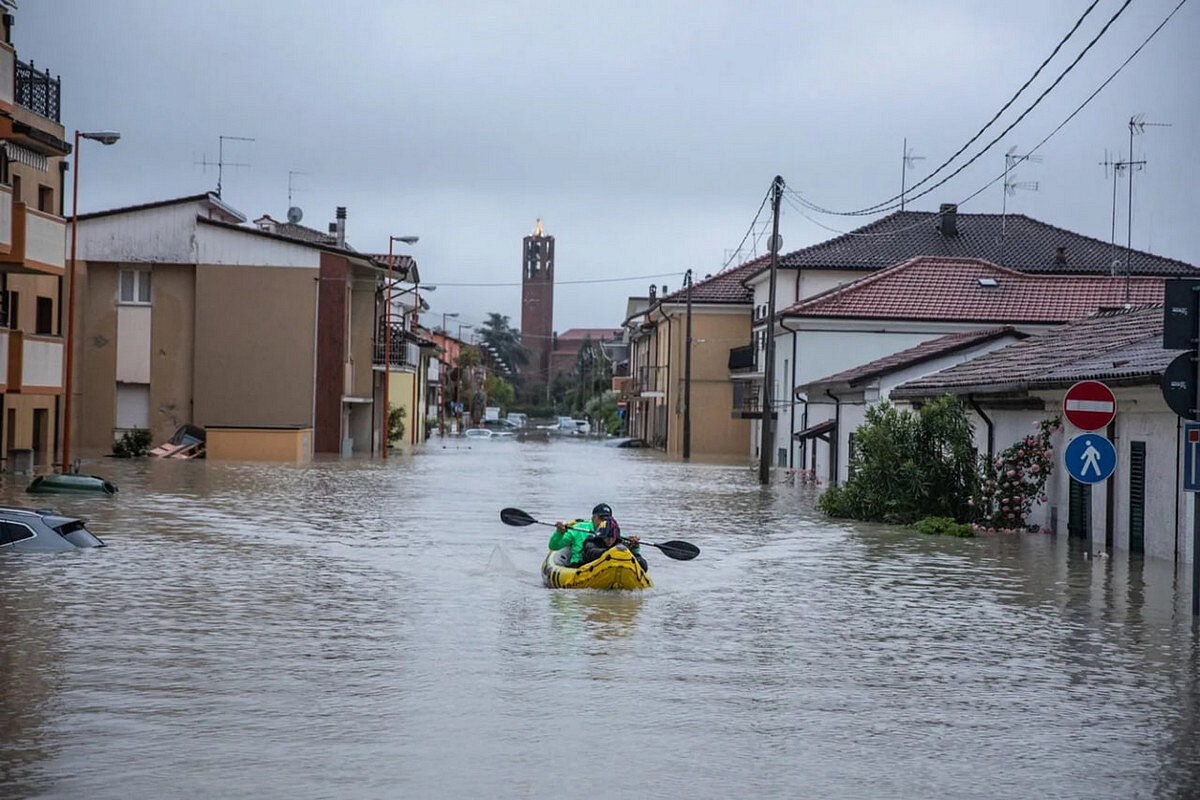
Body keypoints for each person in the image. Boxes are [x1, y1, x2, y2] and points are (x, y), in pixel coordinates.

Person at [551, 503, 645, 570]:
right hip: (579, 565)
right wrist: (559, 533)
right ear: (593, 518)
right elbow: (554, 546)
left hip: (607, 566)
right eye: (601, 518)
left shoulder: (616, 533)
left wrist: (635, 546)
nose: (603, 521)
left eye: (606, 518)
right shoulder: (577, 529)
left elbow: (631, 552)